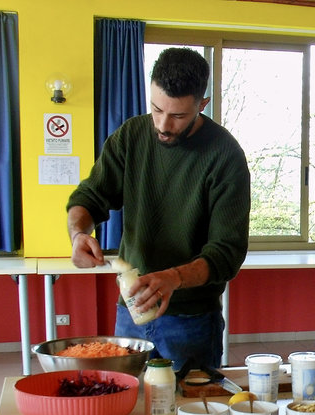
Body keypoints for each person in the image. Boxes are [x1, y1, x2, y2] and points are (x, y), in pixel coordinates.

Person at [67, 48, 251, 371]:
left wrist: (174, 278)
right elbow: (90, 196)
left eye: (178, 116)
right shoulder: (131, 136)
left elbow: (227, 252)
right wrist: (78, 233)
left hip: (192, 320)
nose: (163, 125)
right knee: (127, 398)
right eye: (156, 109)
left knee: (191, 403)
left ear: (202, 104)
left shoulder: (225, 156)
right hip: (131, 311)